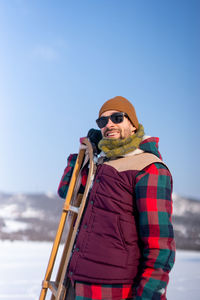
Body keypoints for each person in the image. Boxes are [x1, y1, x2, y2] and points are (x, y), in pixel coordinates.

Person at [58, 96, 176, 300]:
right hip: (75, 283)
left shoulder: (148, 167)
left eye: (117, 117)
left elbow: (160, 245)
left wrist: (148, 296)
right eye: (102, 121)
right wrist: (84, 154)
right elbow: (66, 191)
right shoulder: (100, 164)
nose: (109, 124)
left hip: (114, 289)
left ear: (133, 124)